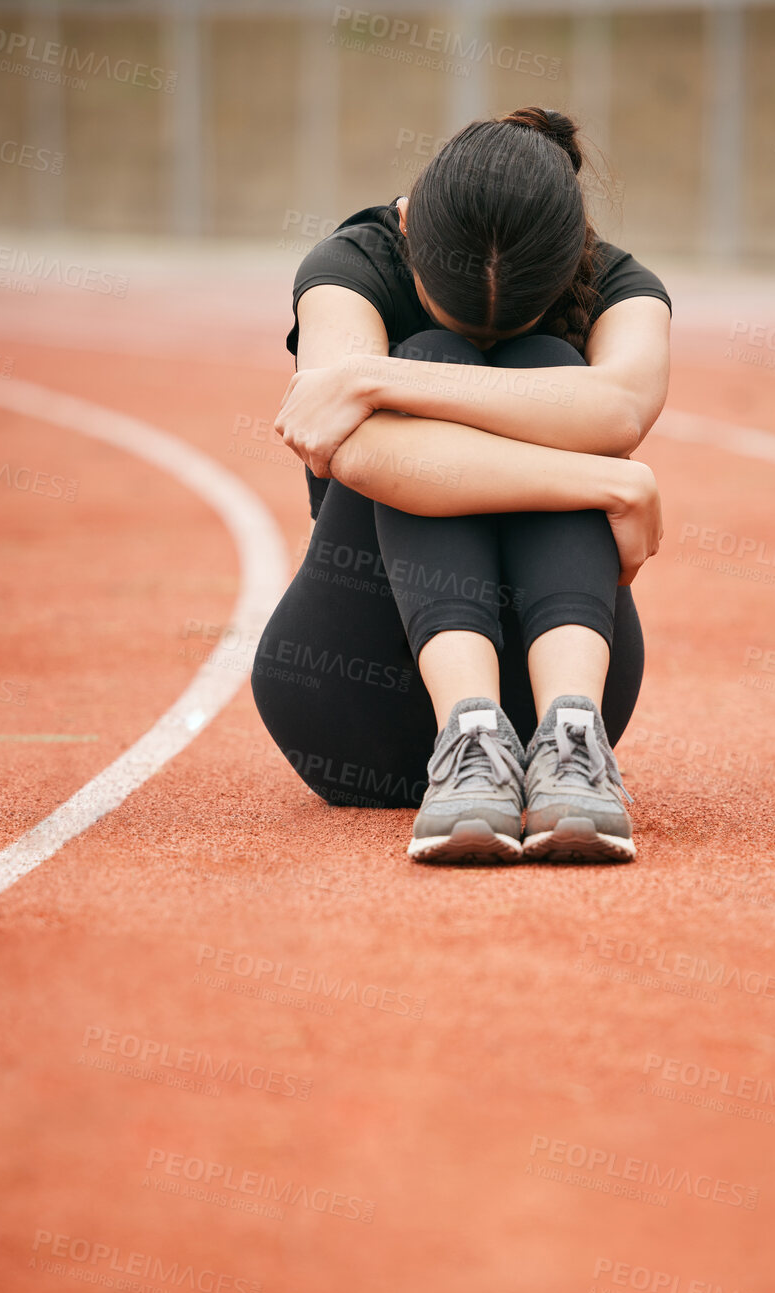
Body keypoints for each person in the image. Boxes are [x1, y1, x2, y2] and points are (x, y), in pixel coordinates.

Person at [255, 105, 671, 864]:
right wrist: (601, 481)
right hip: (349, 698)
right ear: (408, 226)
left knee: (546, 363)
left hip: (557, 697)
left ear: (574, 255)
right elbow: (357, 452)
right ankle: (466, 731)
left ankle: (572, 734)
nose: (487, 338)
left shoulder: (620, 285)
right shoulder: (353, 266)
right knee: (438, 353)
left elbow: (615, 408)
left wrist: (373, 378)